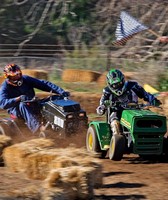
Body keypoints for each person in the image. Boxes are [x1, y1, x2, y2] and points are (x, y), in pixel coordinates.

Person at [0, 63, 70, 134]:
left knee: (56, 98)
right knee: (22, 104)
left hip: (33, 103)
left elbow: (43, 84)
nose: (17, 76)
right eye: (14, 76)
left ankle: (69, 120)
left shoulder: (26, 79)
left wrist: (61, 91)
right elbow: (2, 103)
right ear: (8, 77)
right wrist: (18, 99)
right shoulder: (5, 87)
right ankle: (38, 129)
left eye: (18, 74)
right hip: (17, 110)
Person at [96, 69, 162, 135]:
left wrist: (153, 100)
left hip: (136, 111)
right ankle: (117, 137)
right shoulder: (107, 91)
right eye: (114, 85)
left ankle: (156, 135)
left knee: (151, 118)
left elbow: (145, 94)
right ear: (109, 84)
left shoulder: (133, 86)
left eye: (119, 83)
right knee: (115, 122)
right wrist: (102, 107)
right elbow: (100, 107)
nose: (117, 86)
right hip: (117, 112)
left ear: (123, 80)